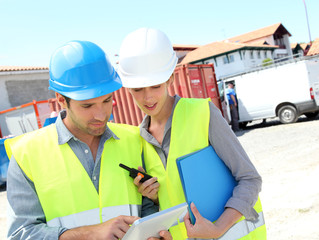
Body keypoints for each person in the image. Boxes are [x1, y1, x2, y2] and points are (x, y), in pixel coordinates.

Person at [6, 40, 171, 240]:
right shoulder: (27, 154)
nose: (101, 115)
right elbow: (21, 234)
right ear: (61, 99)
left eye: (107, 101)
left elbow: (148, 208)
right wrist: (89, 233)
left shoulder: (135, 139)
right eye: (87, 106)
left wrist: (154, 232)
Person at [118, 28, 266, 239]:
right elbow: (173, 201)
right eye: (138, 89)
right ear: (128, 88)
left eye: (155, 86)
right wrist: (155, 198)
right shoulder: (140, 141)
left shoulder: (202, 114)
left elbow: (250, 180)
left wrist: (217, 229)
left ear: (170, 79)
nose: (147, 97)